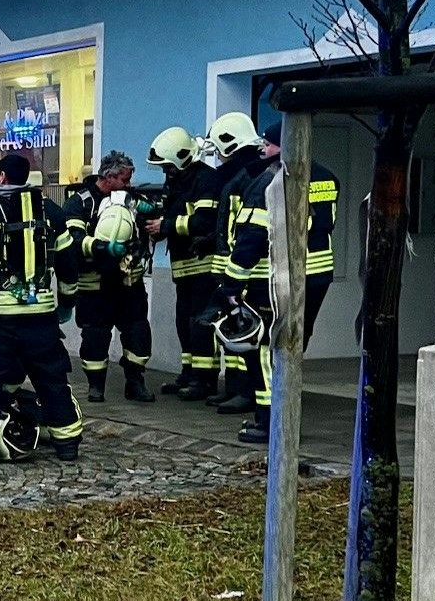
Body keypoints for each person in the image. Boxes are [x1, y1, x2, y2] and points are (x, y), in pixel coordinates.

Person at [0, 153, 84, 465]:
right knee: (51, 377)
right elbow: (69, 264)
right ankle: (68, 443)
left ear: (3, 177)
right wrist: (67, 304)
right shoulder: (52, 211)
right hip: (42, 316)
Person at [217, 122, 339, 444]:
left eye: (268, 145)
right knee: (294, 349)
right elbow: (323, 224)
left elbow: (251, 239)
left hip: (276, 282)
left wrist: (229, 286)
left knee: (266, 351)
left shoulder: (267, 183)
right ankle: (285, 421)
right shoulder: (326, 175)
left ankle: (271, 425)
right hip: (317, 276)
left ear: (284, 146)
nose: (262, 150)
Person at [62, 150, 158, 403]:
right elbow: (73, 241)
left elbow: (153, 224)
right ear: (110, 177)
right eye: (125, 180)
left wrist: (153, 214)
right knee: (95, 337)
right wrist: (101, 248)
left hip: (129, 283)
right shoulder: (81, 202)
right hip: (95, 284)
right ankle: (96, 386)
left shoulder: (131, 199)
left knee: (138, 333)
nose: (129, 186)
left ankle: (135, 383)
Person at [145, 126, 221, 401]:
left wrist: (167, 225)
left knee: (201, 325)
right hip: (184, 267)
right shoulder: (177, 182)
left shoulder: (206, 180)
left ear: (181, 157)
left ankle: (205, 380)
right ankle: (189, 374)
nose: (165, 171)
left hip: (204, 266)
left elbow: (205, 221)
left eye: (167, 165)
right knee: (184, 322)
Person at [204, 111, 269, 413]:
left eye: (219, 149)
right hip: (231, 264)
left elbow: (245, 228)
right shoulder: (240, 174)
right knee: (231, 328)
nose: (217, 156)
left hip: (246, 269)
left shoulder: (249, 175)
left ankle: (245, 391)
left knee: (246, 332)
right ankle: (235, 387)